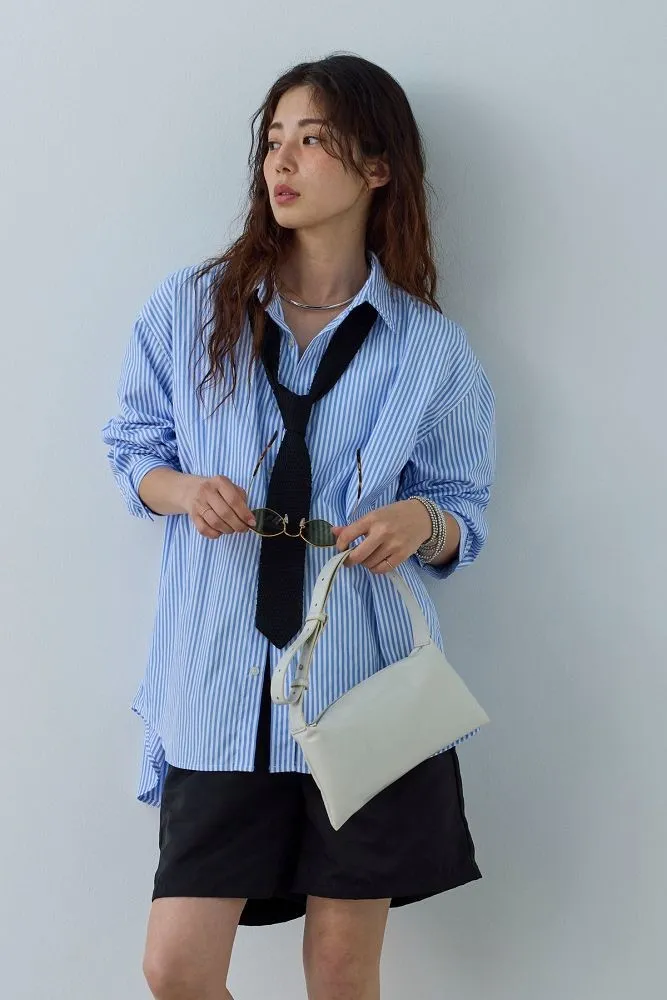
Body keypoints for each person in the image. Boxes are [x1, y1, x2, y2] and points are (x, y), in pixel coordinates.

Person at [101, 52, 496, 1000]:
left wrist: (421, 521)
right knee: (176, 967)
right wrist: (183, 491)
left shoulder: (428, 347)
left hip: (360, 693)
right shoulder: (191, 308)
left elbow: (463, 510)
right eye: (273, 140)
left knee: (341, 969)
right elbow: (130, 448)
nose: (280, 161)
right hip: (218, 690)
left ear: (376, 167)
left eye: (312, 140)